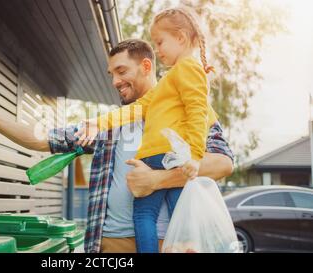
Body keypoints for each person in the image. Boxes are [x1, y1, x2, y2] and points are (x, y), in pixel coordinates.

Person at [0, 39, 234, 253]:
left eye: (122, 71)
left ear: (146, 66)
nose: (115, 82)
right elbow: (42, 138)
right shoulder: (109, 125)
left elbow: (223, 164)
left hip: (170, 245)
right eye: (111, 74)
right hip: (109, 246)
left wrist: (157, 180)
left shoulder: (189, 108)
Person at [75, 7, 230, 253]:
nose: (157, 49)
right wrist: (99, 123)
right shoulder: (171, 79)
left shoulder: (187, 69)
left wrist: (196, 156)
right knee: (181, 212)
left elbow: (198, 112)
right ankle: (185, 246)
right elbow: (137, 109)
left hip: (158, 157)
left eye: (160, 42)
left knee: (145, 215)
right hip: (167, 157)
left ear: (180, 37)